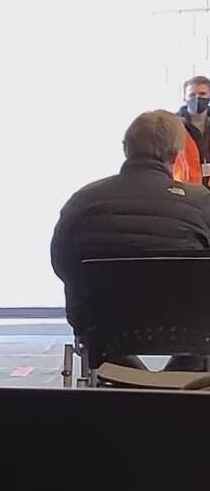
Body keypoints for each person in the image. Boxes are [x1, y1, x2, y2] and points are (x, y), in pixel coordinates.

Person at [50, 110, 210, 366]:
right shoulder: (201, 202)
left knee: (103, 336)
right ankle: (178, 394)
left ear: (126, 148)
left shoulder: (83, 200)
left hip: (102, 323)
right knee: (198, 333)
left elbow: (62, 263)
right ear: (175, 154)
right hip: (190, 327)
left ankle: (129, 390)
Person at [179, 75, 210, 185]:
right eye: (192, 95)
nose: (197, 98)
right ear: (184, 98)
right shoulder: (175, 125)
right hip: (186, 188)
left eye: (202, 94)